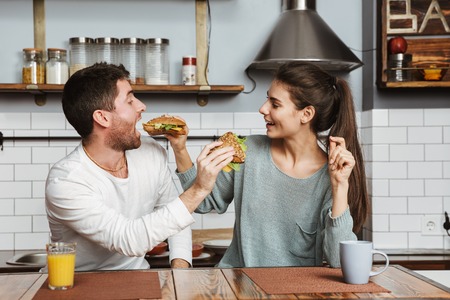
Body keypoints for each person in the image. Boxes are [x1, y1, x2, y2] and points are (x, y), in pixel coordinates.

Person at [169, 62, 369, 268]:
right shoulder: (248, 150)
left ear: (306, 114)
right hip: (237, 287)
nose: (262, 109)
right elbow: (202, 203)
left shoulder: (333, 176)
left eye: (275, 104)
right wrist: (180, 149)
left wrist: (340, 186)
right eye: (267, 99)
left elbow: (339, 261)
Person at [44, 63, 235, 271]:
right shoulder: (66, 181)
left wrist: (180, 272)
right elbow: (129, 240)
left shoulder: (151, 152)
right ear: (102, 117)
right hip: (78, 285)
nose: (141, 106)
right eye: (130, 100)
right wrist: (200, 189)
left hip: (139, 280)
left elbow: (173, 215)